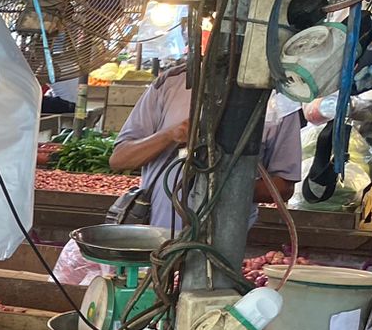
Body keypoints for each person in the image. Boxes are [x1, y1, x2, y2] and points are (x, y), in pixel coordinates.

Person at [109, 65, 301, 232]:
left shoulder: (280, 99)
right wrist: (169, 135)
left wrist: (225, 188)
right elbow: (119, 158)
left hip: (224, 245)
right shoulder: (173, 82)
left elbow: (283, 187)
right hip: (155, 238)